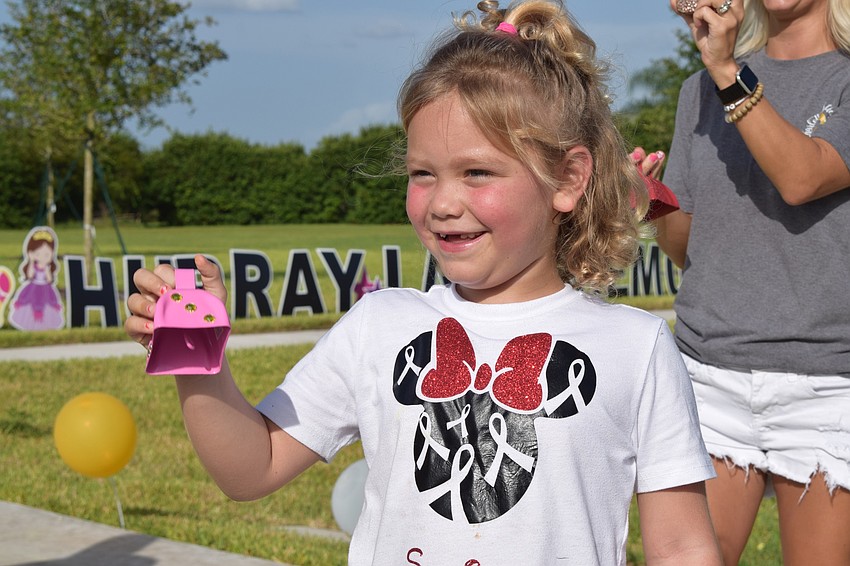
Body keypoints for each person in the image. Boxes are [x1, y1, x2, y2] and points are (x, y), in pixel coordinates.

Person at [126, 1, 722, 563]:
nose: (442, 203)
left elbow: (682, 550)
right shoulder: (379, 326)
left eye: (477, 172)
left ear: (567, 178)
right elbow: (250, 469)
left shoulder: (635, 347)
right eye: (422, 174)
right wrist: (194, 362)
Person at [656, 0, 850, 564]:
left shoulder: (837, 79)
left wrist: (727, 72)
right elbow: (685, 247)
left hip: (823, 381)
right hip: (707, 373)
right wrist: (649, 202)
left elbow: (803, 176)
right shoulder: (698, 89)